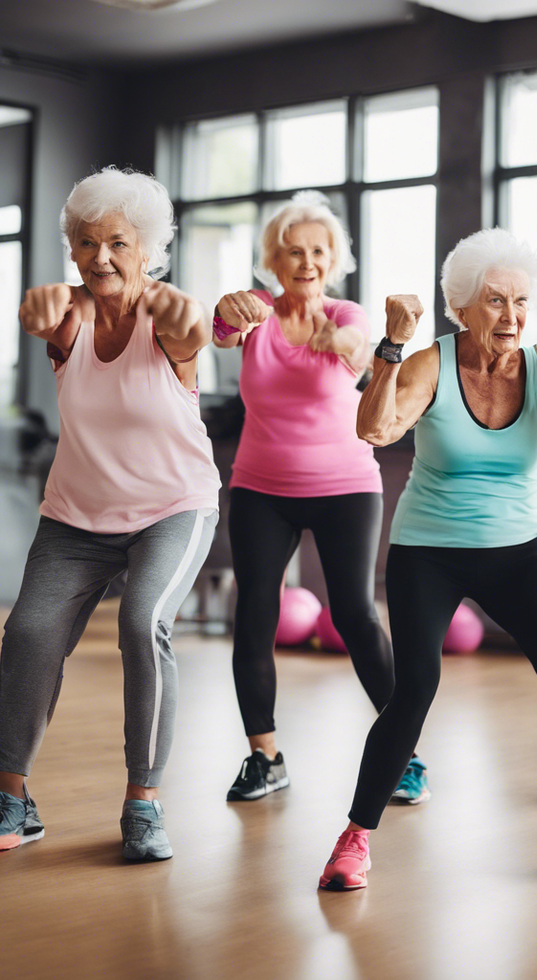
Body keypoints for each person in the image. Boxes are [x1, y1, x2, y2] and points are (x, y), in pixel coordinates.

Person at [319, 228, 537, 890]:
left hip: (518, 549)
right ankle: (354, 838)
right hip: (429, 551)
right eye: (495, 301)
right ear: (462, 307)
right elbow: (374, 429)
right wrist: (393, 345)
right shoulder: (431, 362)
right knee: (415, 691)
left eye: (520, 301)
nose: (512, 316)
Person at [0, 167, 220, 860]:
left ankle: (143, 803)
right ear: (72, 249)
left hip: (173, 507)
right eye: (88, 243)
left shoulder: (169, 322)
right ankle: (12, 798)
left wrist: (192, 319)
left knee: (142, 620)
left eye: (119, 243)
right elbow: (44, 318)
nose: (101, 257)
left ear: (148, 248)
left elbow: (190, 330)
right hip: (76, 514)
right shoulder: (68, 317)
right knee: (29, 634)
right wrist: (37, 311)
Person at [213, 192, 427, 805]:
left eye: (318, 251)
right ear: (273, 260)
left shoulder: (349, 313)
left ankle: (404, 755)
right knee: (254, 611)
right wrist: (225, 316)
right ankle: (265, 756)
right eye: (293, 251)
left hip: (346, 487)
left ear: (333, 260)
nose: (306, 261)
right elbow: (222, 333)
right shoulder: (255, 312)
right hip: (261, 487)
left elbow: (360, 354)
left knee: (356, 615)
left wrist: (344, 346)